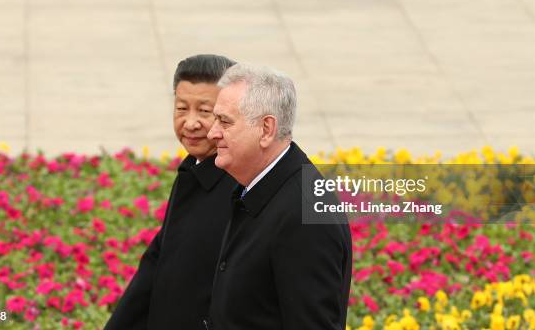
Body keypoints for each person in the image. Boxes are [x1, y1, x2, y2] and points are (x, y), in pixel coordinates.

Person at [204, 64, 352, 330]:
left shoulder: (304, 217)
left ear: (266, 129)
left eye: (224, 121)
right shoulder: (257, 183)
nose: (212, 133)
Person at [104, 54, 237, 330]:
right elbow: (155, 266)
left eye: (204, 111)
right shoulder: (192, 171)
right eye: (181, 108)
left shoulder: (246, 184)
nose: (190, 124)